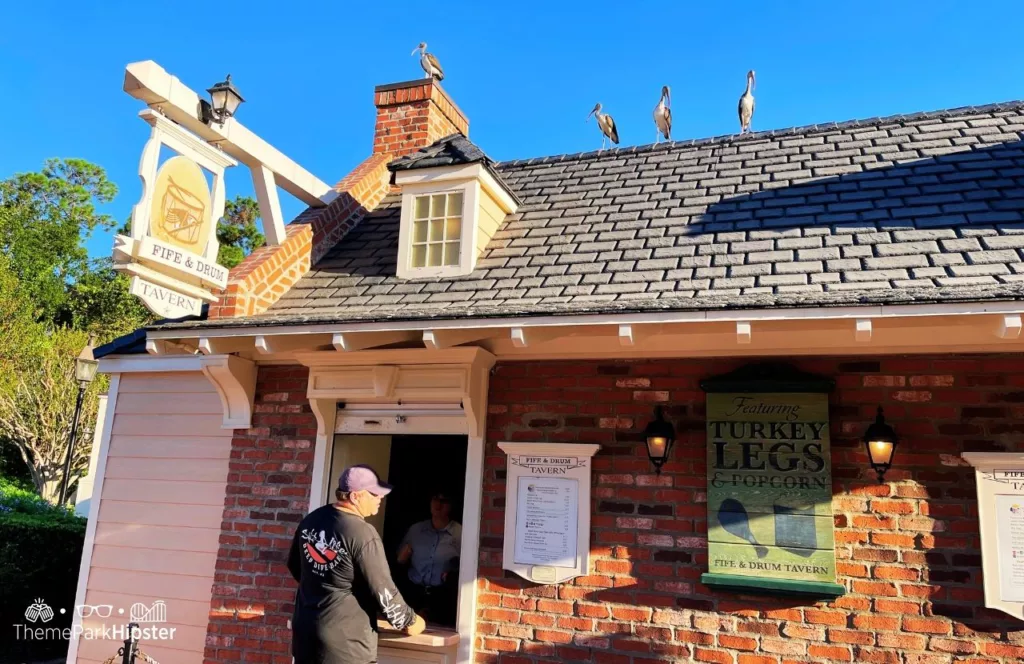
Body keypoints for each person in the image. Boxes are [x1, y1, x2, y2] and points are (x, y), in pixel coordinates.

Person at [288, 465, 425, 664]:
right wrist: (409, 621)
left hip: (306, 636)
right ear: (355, 496)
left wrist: (325, 586)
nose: (380, 498)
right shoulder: (362, 533)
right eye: (374, 494)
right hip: (346, 646)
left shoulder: (311, 520)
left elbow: (295, 566)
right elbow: (384, 590)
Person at [396, 489, 462, 625]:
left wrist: (454, 573)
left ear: (451, 505)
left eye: (444, 501)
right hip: (413, 594)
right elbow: (399, 560)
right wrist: (402, 558)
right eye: (435, 499)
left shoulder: (460, 533)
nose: (438, 504)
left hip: (443, 598)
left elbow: (468, 566)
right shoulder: (416, 530)